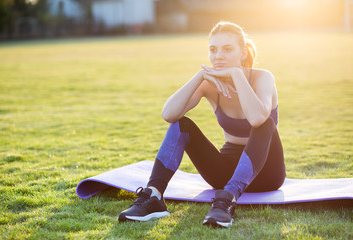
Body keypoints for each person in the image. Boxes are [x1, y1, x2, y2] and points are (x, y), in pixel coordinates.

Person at [118, 21, 286, 228]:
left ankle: (226, 201)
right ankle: (153, 196)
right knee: (182, 124)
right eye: (213, 50)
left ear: (243, 52)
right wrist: (200, 77)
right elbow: (169, 114)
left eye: (227, 49)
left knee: (265, 123)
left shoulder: (263, 77)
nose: (218, 56)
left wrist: (236, 74)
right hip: (224, 175)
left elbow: (257, 119)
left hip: (267, 173)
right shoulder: (209, 84)